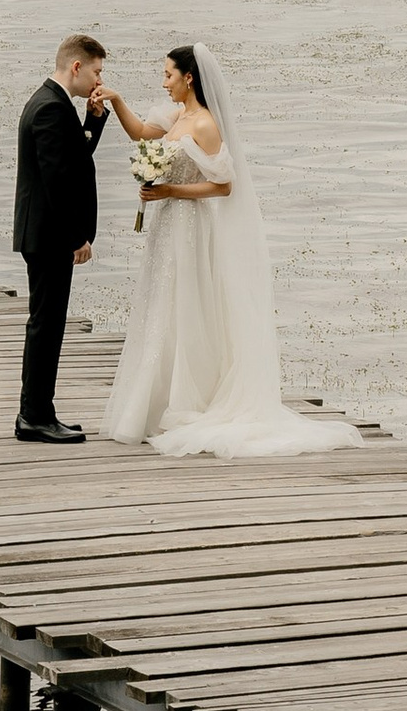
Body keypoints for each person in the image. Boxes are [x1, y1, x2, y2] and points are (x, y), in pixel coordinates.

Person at [100, 42, 357, 458]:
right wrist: (115, 100)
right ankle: (152, 405)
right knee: (160, 307)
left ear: (189, 78)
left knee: (188, 307)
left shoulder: (204, 124)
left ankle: (190, 400)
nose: (163, 82)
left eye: (168, 75)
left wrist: (170, 190)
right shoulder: (176, 116)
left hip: (190, 226)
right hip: (166, 226)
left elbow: (223, 185)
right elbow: (140, 133)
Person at [12, 33, 106, 441]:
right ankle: (33, 415)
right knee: (46, 325)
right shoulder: (50, 108)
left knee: (48, 324)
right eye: (97, 71)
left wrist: (94, 121)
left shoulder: (51, 102)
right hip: (50, 234)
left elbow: (73, 160)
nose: (99, 80)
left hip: (44, 233)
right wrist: (75, 237)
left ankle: (40, 411)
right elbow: (57, 180)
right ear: (76, 66)